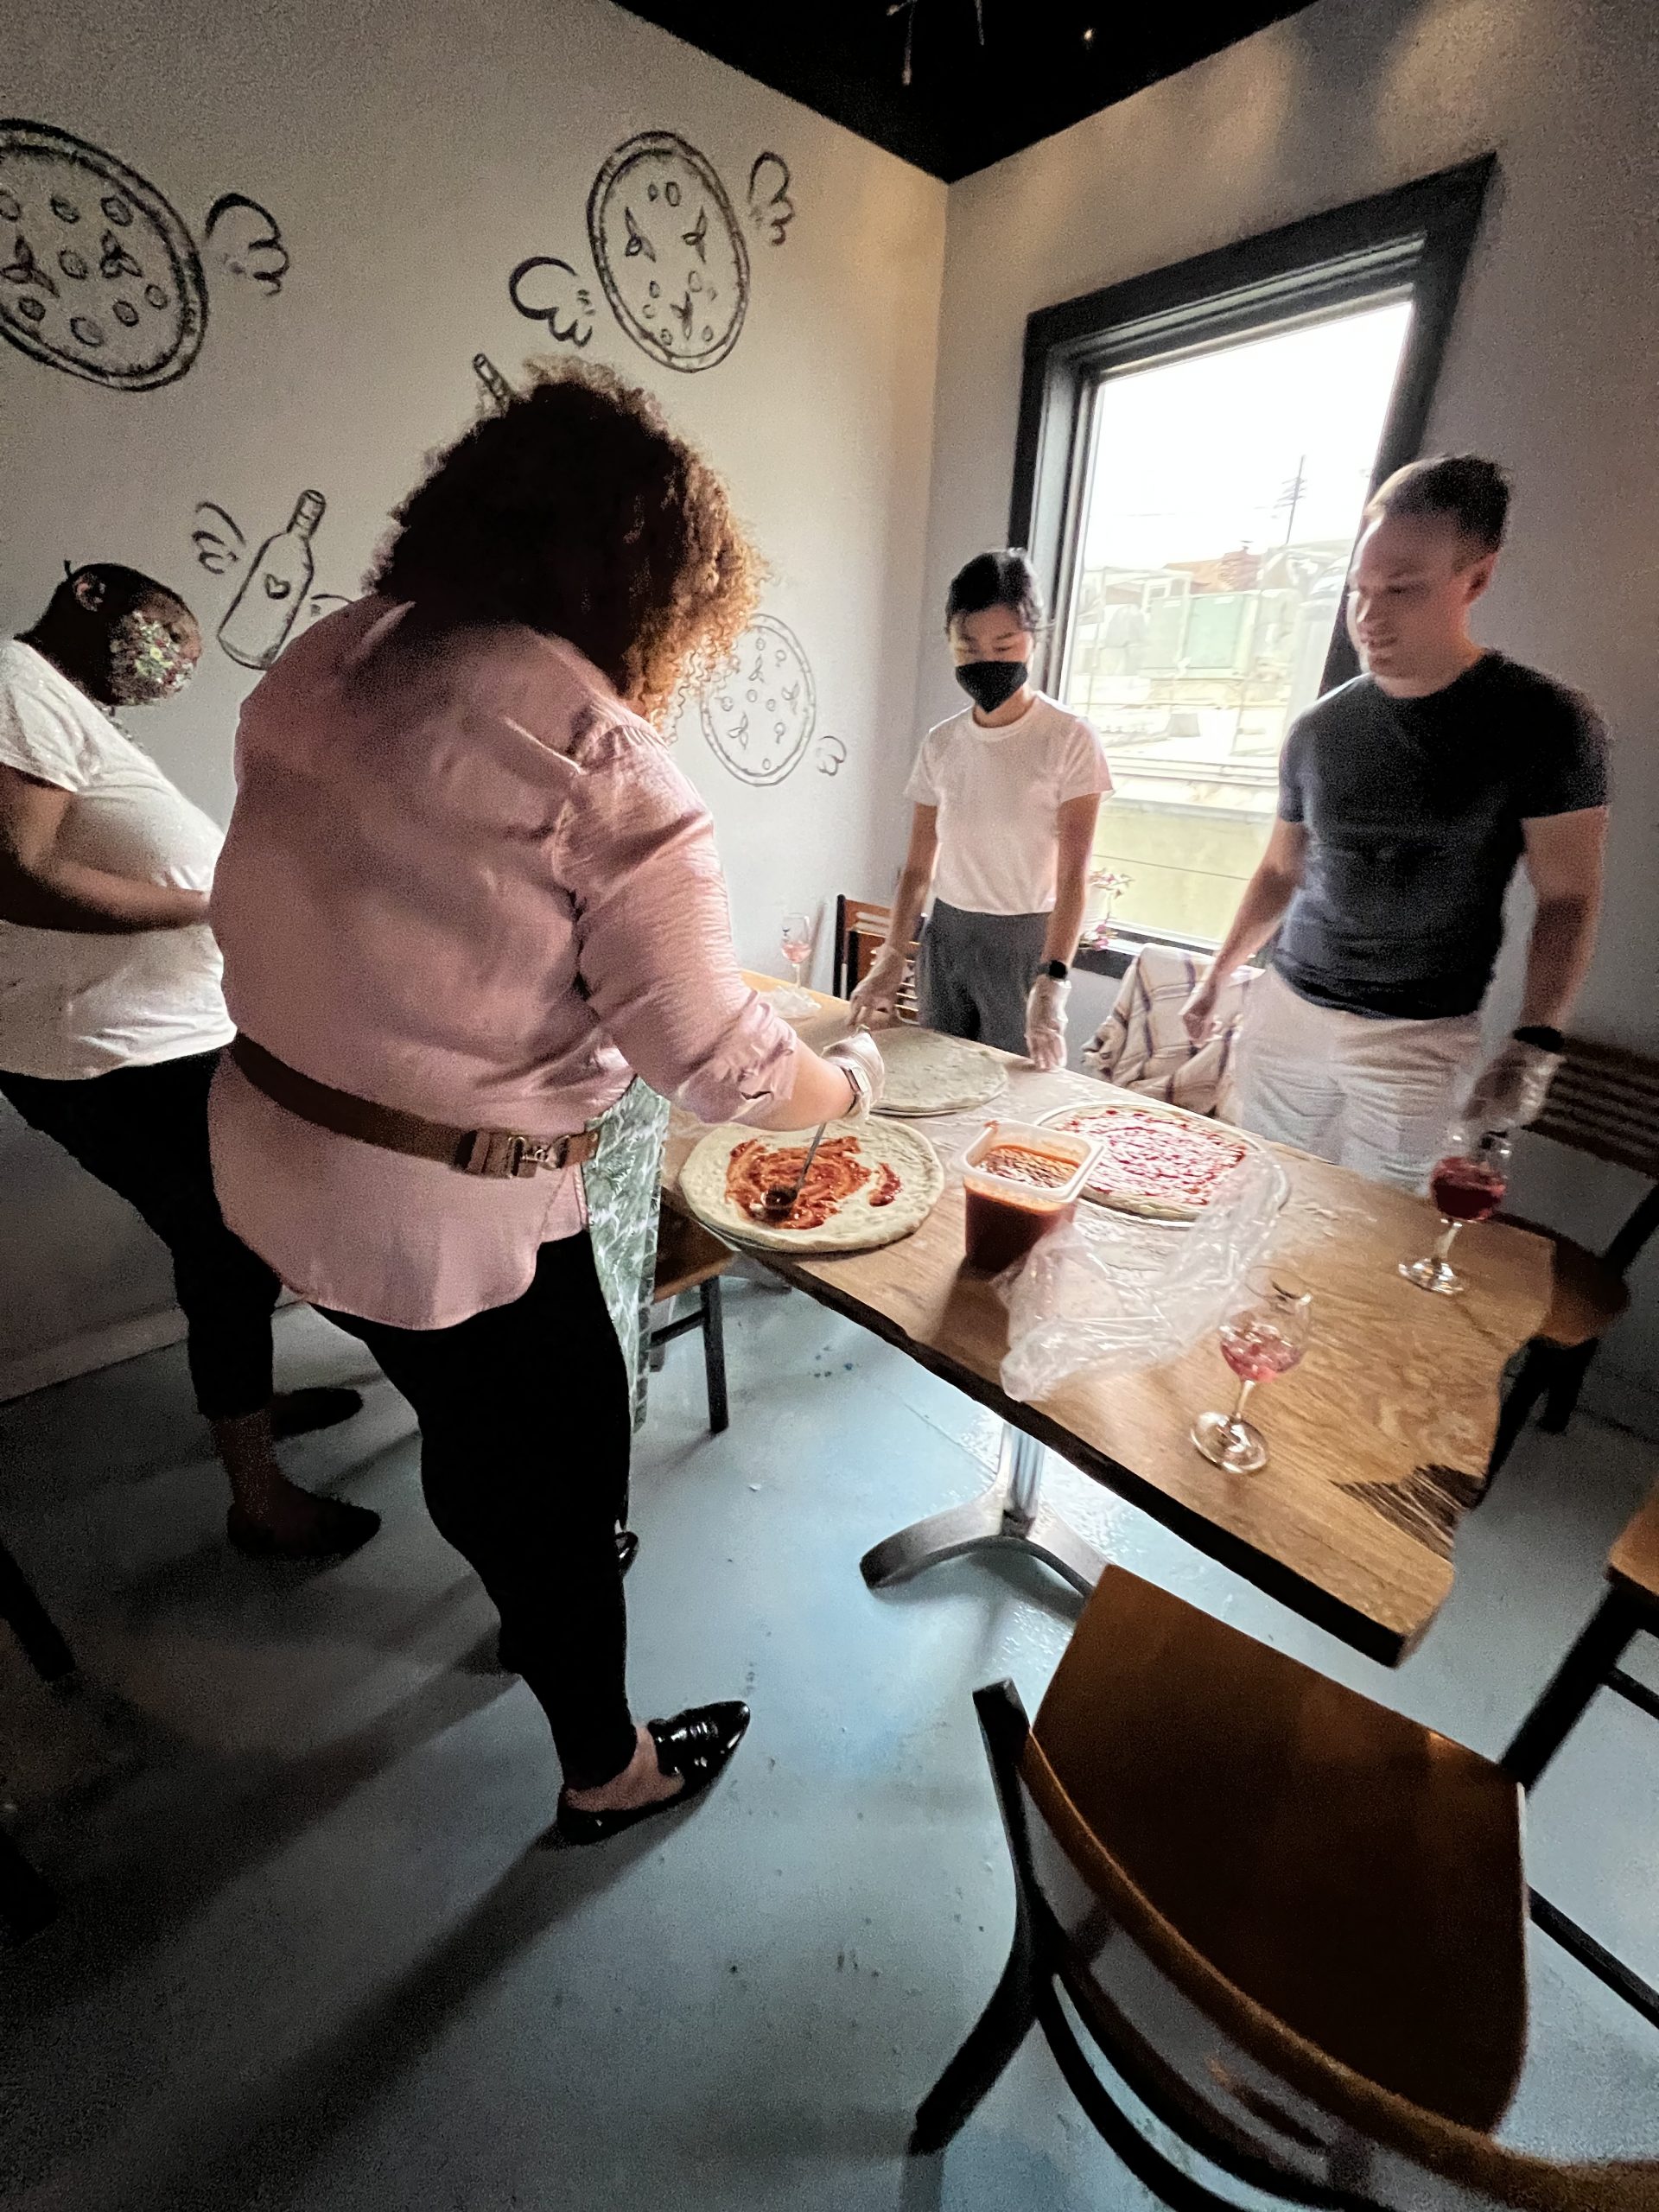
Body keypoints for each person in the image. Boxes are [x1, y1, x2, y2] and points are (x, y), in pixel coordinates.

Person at [207, 363, 884, 1844]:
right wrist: (846, 1083)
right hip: (441, 1207)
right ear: (656, 588)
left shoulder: (334, 655)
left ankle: (524, 1593)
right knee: (570, 1484)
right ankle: (606, 1767)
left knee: (461, 1412)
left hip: (267, 1143)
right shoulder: (598, 752)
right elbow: (713, 1056)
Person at [0, 565, 373, 1558]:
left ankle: (249, 1400)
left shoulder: (63, 709)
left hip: (150, 1044)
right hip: (106, 1056)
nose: (171, 667)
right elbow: (18, 874)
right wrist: (210, 903)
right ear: (92, 593)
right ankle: (259, 1501)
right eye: (168, 636)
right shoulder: (15, 682)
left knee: (235, 1240)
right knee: (227, 1244)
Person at [1181, 456, 1608, 1189]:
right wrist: (1219, 974)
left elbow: (1568, 897)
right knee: (1263, 1189)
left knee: (1385, 1218)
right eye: (1359, 590)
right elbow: (1282, 869)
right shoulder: (1320, 729)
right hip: (1290, 1007)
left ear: (1476, 578)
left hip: (1419, 1035)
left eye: (1402, 589)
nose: (1368, 619)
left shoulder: (1546, 723)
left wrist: (1536, 1040)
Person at [849, 549, 1111, 1069]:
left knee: (1012, 1089)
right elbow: (918, 869)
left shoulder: (1069, 739)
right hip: (947, 936)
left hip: (1025, 942)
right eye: (968, 647)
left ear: (1034, 639)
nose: (986, 660)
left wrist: (1053, 978)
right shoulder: (942, 744)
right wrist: (892, 955)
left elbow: (1073, 879)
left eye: (1004, 645)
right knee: (936, 1075)